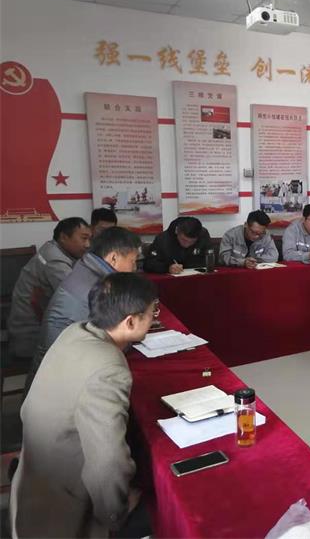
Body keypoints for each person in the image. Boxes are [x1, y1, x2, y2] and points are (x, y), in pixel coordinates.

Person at [10, 273, 157, 537]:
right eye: (152, 312)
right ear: (130, 321)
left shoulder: (75, 331)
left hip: (33, 480)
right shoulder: (108, 369)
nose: (154, 318)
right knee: (161, 504)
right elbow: (108, 461)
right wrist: (117, 512)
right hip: (62, 508)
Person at [26, 227, 142, 394]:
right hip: (61, 382)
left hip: (53, 368)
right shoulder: (100, 287)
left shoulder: (86, 267)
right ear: (114, 258)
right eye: (133, 261)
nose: (135, 268)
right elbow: (115, 341)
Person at [7, 217, 91, 361]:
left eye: (89, 239)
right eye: (83, 238)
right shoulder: (54, 260)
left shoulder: (54, 249)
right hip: (31, 337)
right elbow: (79, 296)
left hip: (39, 327)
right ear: (63, 237)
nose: (88, 244)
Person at [143, 216, 211, 274]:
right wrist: (167, 268)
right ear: (176, 231)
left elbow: (210, 259)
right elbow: (148, 264)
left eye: (192, 242)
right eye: (184, 240)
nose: (187, 245)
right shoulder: (162, 239)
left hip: (197, 277)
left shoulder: (203, 235)